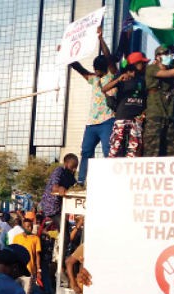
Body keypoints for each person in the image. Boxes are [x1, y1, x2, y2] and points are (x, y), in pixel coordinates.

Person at [68, 26, 118, 185]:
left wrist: (101, 39)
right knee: (86, 152)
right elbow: (79, 68)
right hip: (92, 123)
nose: (96, 72)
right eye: (95, 70)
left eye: (98, 70)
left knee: (107, 151)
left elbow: (109, 59)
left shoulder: (111, 75)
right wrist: (67, 56)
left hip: (107, 120)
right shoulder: (94, 78)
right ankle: (81, 181)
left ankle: (109, 180)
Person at [103, 52, 149, 157]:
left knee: (133, 151)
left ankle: (130, 172)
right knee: (115, 148)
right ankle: (111, 171)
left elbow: (148, 100)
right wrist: (118, 79)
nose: (145, 65)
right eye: (143, 63)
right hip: (121, 117)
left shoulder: (144, 79)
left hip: (136, 120)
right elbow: (104, 89)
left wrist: (143, 114)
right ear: (136, 64)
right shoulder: (122, 76)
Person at [39, 153, 78, 230]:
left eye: (76, 167)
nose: (74, 170)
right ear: (65, 164)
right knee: (64, 228)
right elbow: (55, 187)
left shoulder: (70, 174)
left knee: (66, 227)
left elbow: (75, 186)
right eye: (72, 167)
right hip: (51, 207)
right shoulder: (59, 171)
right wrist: (60, 188)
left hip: (60, 207)